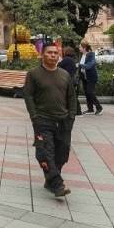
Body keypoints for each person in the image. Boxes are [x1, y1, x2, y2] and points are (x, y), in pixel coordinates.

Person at [23, 43, 77, 197]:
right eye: (49, 53)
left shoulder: (64, 75)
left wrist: (71, 116)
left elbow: (71, 96)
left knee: (62, 154)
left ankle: (50, 180)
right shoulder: (34, 74)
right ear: (42, 55)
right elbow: (28, 95)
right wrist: (34, 116)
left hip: (63, 121)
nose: (53, 55)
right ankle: (57, 184)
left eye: (55, 53)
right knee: (45, 153)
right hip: (43, 120)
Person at [78, 42, 102, 116]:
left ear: (84, 48)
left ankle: (99, 108)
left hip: (91, 77)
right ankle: (90, 109)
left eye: (80, 47)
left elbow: (90, 65)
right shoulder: (82, 55)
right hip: (84, 77)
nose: (79, 48)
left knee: (90, 92)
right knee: (87, 93)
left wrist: (80, 65)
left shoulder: (91, 54)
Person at [59, 47, 83, 116]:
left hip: (68, 80)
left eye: (64, 51)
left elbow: (58, 67)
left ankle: (76, 111)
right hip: (72, 80)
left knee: (70, 96)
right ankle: (77, 111)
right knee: (73, 96)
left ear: (66, 52)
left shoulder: (66, 60)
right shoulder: (72, 60)